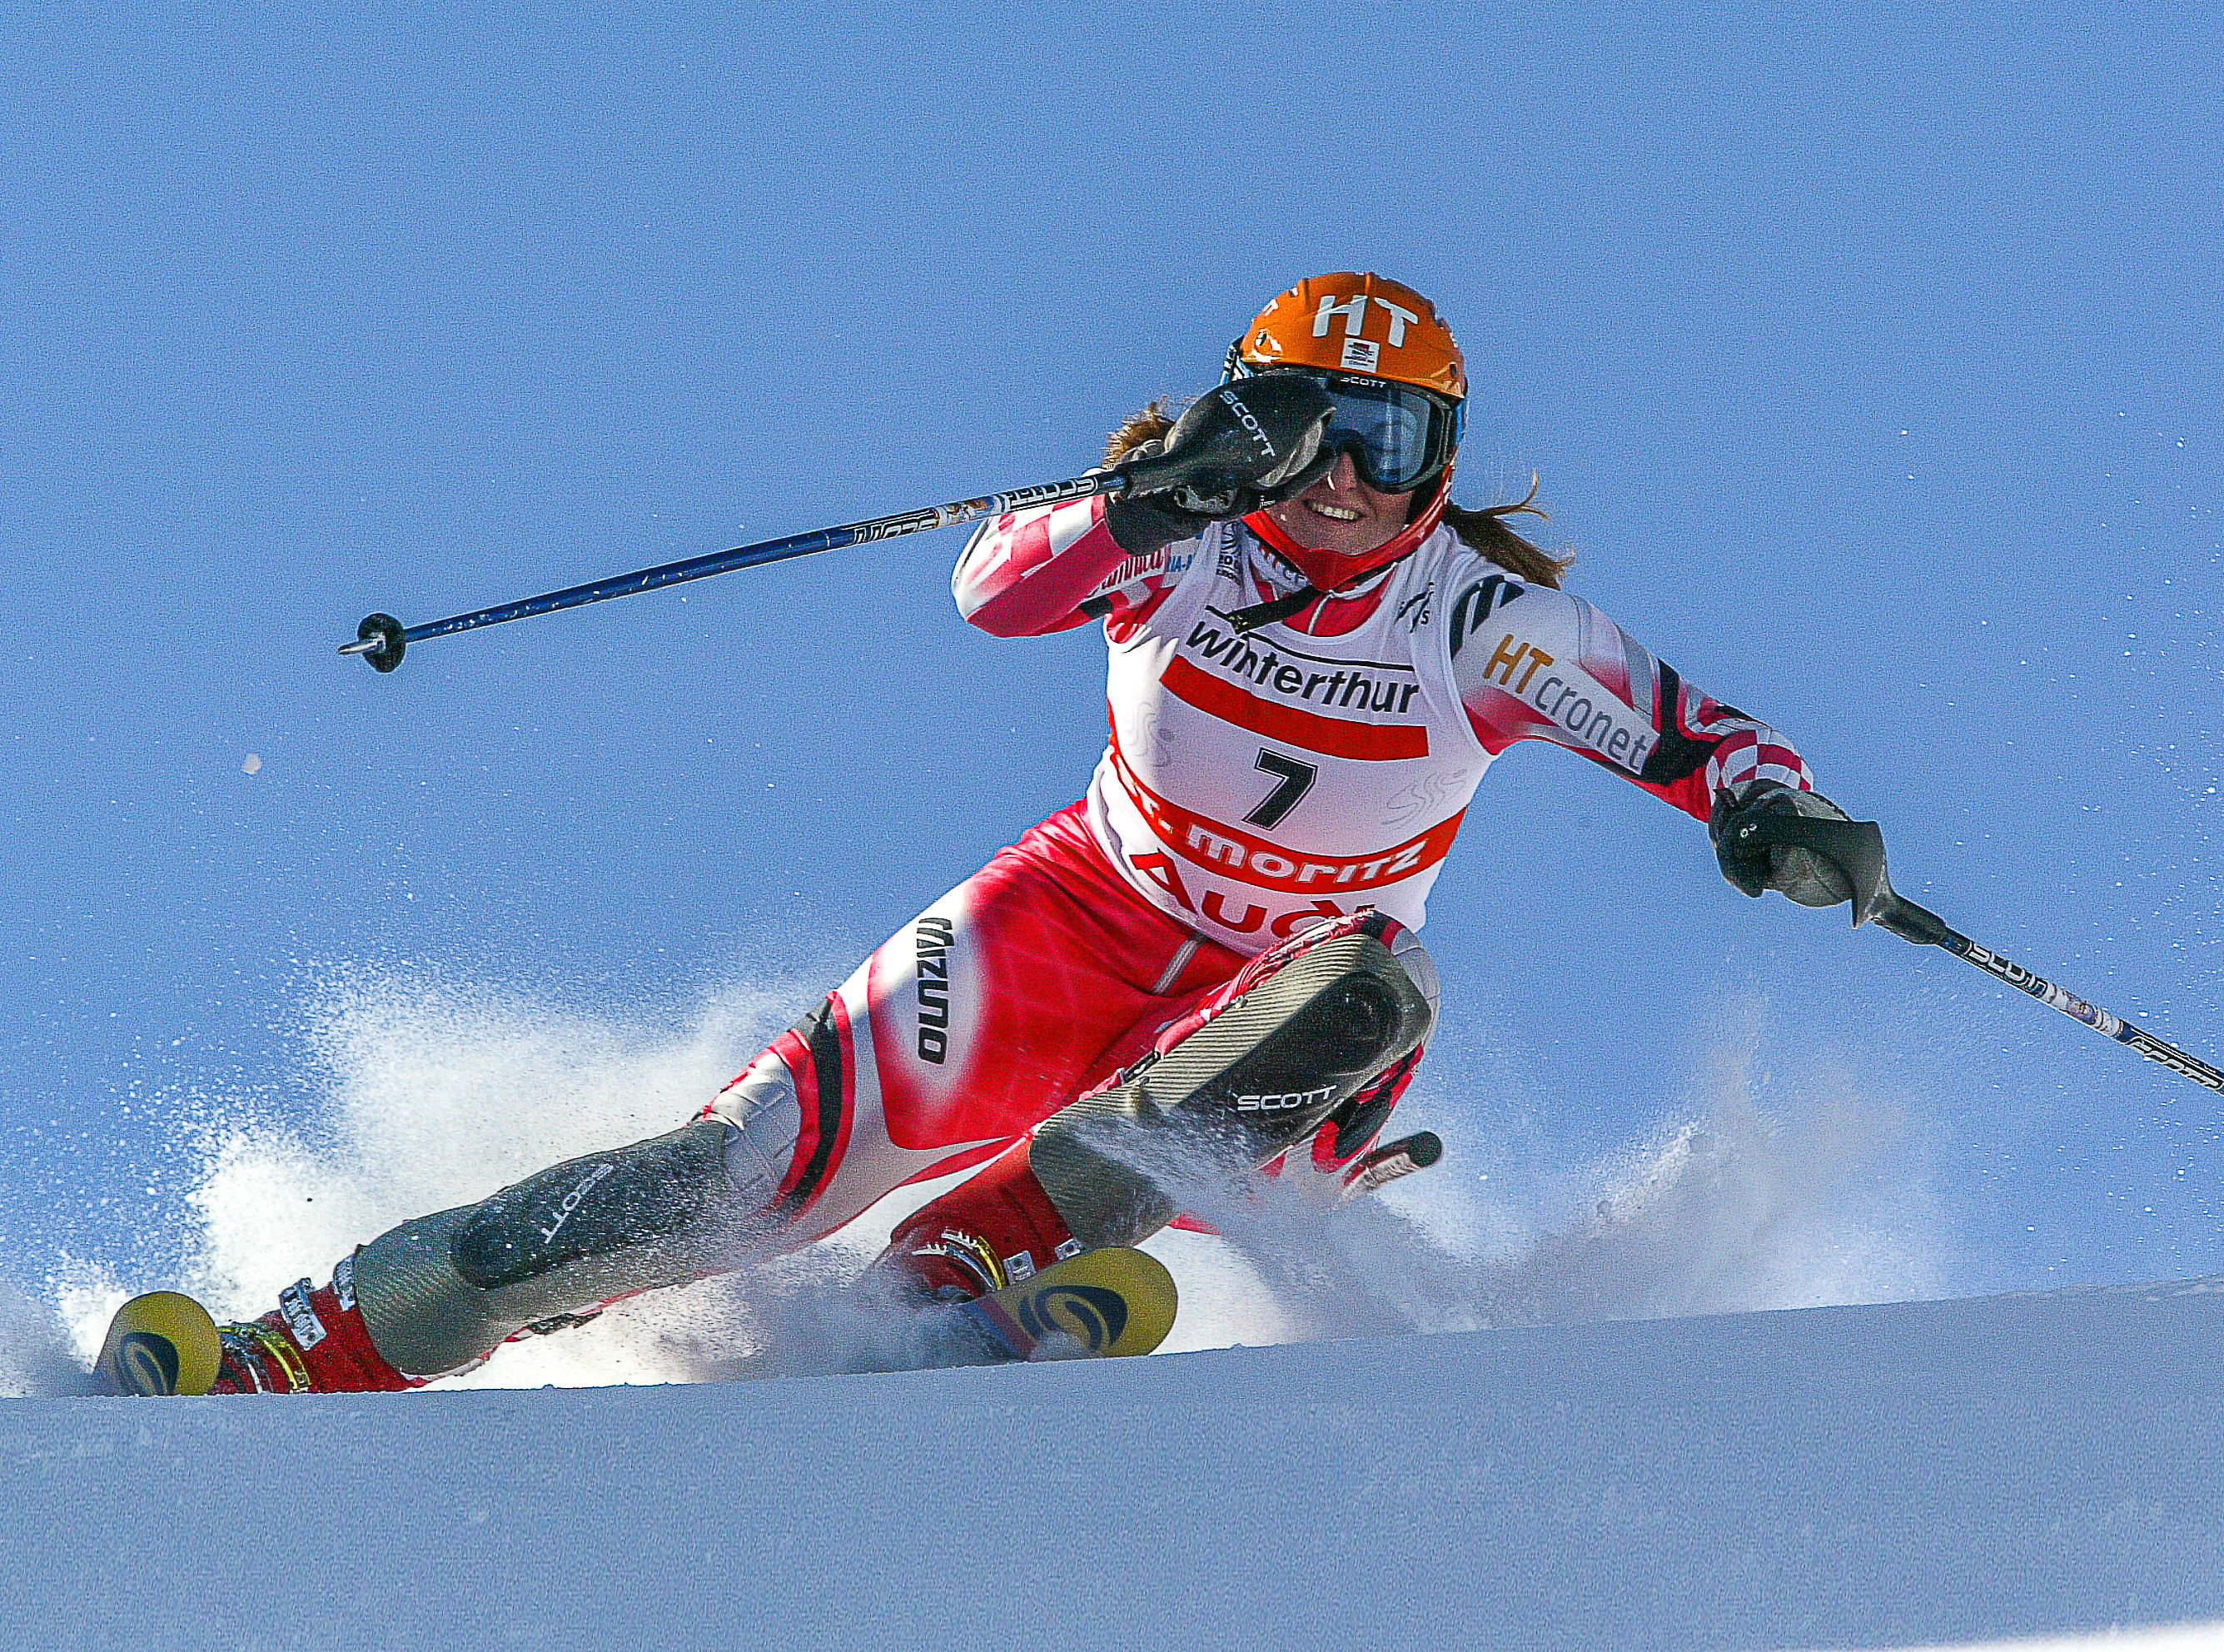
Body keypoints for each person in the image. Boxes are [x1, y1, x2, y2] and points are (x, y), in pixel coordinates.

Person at [187, 271, 1865, 1393]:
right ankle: (334, 1340)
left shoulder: (1480, 621)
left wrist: (1774, 815)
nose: (1344, 478)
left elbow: (1693, 735)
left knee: (1369, 986)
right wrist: (1156, 494)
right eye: (1308, 427)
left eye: (1392, 441)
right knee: (735, 1174)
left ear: (1443, 457)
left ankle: (974, 1260)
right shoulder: (1180, 541)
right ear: (1248, 426)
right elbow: (993, 591)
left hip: (1287, 1004)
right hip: (1075, 920)